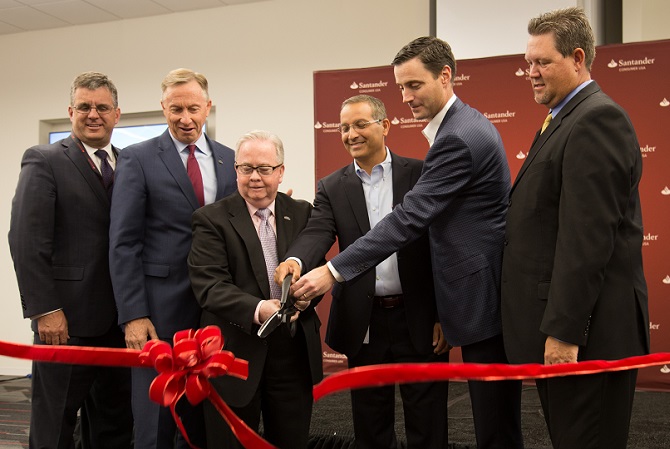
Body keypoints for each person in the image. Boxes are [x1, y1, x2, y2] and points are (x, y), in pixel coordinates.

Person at [290, 37, 524, 449]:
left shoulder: (454, 138)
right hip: (375, 319)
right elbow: (318, 230)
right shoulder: (459, 128)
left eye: (414, 85)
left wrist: (332, 270)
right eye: (400, 87)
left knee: (487, 425)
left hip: (465, 301)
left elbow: (411, 221)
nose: (406, 96)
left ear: (445, 76)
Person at [501, 7, 650, 449]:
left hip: (586, 340)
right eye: (528, 62)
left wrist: (565, 333)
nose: (530, 72)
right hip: (571, 334)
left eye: (541, 62)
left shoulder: (595, 119)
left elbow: (586, 242)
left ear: (578, 57)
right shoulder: (563, 119)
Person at [276, 94, 449, 449]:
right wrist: (296, 260)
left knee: (428, 422)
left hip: (419, 317)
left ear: (385, 126)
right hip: (364, 321)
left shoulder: (420, 174)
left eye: (359, 124)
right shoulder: (332, 186)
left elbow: (443, 247)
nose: (350, 133)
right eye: (344, 127)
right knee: (370, 424)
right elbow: (317, 232)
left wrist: (444, 315)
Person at [109, 68, 237, 449]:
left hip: (215, 310)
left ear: (208, 107)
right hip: (158, 312)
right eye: (176, 109)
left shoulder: (230, 160)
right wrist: (133, 314)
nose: (186, 118)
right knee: (157, 420)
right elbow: (123, 242)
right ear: (163, 107)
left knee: (204, 415)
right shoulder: (138, 158)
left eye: (194, 108)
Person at [8, 71, 133, 449]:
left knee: (115, 426)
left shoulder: (130, 164)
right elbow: (27, 241)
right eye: (84, 107)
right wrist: (45, 310)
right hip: (66, 324)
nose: (93, 114)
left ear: (117, 114)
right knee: (54, 426)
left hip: (123, 324)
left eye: (102, 107)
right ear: (71, 111)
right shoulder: (44, 160)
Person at [188, 131, 323, 448]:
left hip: (292, 351)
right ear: (235, 171)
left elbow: (317, 270)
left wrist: (306, 296)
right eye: (246, 168)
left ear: (280, 171)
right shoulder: (211, 219)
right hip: (234, 352)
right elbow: (209, 285)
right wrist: (259, 309)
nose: (255, 177)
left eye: (264, 168)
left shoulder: (303, 213)